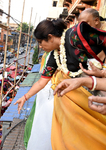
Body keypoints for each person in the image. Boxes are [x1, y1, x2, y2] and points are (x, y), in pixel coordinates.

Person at [14, 18, 106, 149]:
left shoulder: (75, 34)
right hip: (88, 95)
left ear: (50, 37)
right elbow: (42, 81)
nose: (40, 46)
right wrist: (25, 97)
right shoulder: (55, 55)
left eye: (40, 42)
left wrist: (102, 68)